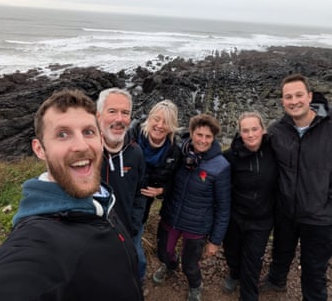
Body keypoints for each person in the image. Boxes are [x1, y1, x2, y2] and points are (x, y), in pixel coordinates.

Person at [0, 89, 142, 301]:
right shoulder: (38, 240)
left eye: (88, 132)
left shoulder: (101, 198)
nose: (81, 145)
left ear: (100, 138)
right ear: (39, 149)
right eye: (62, 134)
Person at [261, 74, 332, 300]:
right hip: (285, 212)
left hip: (322, 218)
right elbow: (260, 161)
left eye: (299, 95)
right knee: (280, 253)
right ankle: (276, 281)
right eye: (288, 97)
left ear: (310, 96)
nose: (294, 101)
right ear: (282, 101)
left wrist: (328, 196)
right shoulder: (276, 130)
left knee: (314, 271)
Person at [153, 113, 231, 301]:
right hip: (171, 216)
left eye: (208, 136)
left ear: (214, 138)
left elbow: (223, 207)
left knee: (190, 264)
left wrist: (215, 241)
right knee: (164, 252)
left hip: (197, 225)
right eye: (199, 134)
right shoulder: (178, 153)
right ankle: (170, 265)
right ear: (191, 133)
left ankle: (195, 286)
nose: (202, 140)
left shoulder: (221, 166)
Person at [222, 111, 278, 301]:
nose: (251, 134)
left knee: (253, 261)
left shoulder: (274, 151)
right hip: (236, 216)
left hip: (262, 219)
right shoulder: (231, 156)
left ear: (263, 130)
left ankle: (248, 295)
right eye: (246, 131)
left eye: (255, 129)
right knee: (232, 251)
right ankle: (234, 273)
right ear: (240, 133)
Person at [95, 88, 147, 286]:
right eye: (112, 111)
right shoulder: (85, 153)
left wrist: (135, 223)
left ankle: (138, 285)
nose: (120, 119)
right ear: (98, 116)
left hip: (129, 227)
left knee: (137, 261)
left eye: (125, 113)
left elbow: (141, 191)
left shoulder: (136, 153)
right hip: (95, 232)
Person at [128, 99, 182, 283]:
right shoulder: (131, 137)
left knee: (135, 246)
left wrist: (162, 190)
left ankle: (139, 282)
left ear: (172, 125)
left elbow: (177, 181)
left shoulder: (175, 151)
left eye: (165, 122)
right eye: (156, 119)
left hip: (142, 207)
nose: (159, 125)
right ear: (148, 119)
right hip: (120, 198)